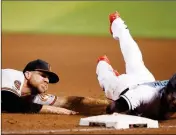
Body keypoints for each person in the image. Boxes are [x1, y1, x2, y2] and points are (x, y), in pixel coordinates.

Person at [96, 11, 176, 120]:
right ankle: (103, 62)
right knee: (110, 84)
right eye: (173, 98)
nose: (175, 102)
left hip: (145, 80)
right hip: (125, 86)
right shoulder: (147, 95)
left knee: (134, 58)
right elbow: (113, 107)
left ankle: (117, 24)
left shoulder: (170, 92)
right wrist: (116, 109)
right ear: (168, 91)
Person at [2, 59, 78, 115]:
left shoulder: (33, 95)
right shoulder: (11, 75)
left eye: (48, 78)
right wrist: (57, 110)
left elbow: (65, 102)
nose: (47, 81)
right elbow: (11, 103)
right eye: (43, 75)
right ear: (28, 74)